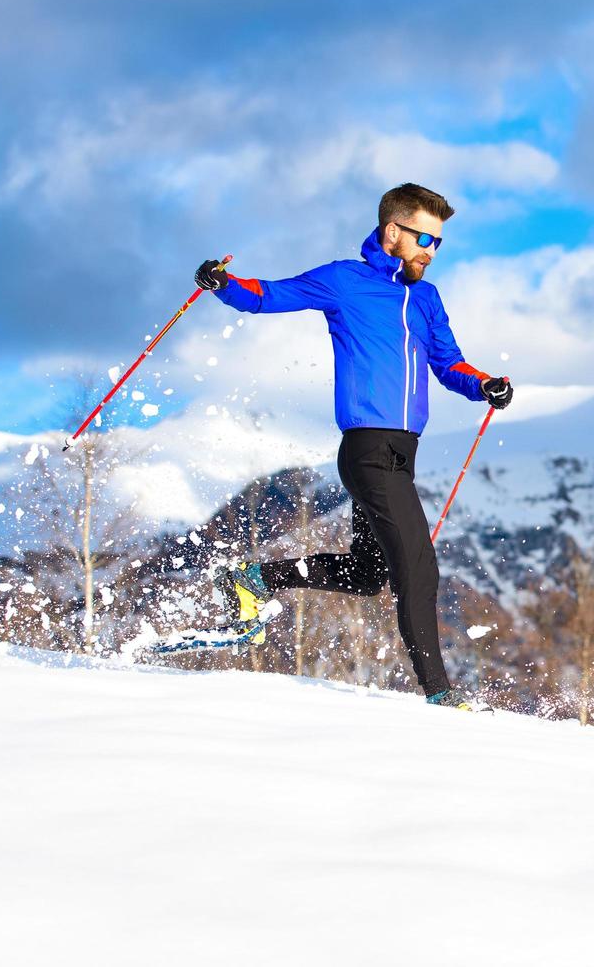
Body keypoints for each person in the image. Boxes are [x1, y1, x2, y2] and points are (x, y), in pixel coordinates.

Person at [193, 182, 512, 708]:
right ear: (393, 232)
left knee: (370, 574)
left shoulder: (426, 298)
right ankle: (440, 694)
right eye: (425, 240)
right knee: (418, 568)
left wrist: (484, 385)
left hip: (401, 456)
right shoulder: (345, 280)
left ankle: (252, 579)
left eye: (440, 243)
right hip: (367, 450)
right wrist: (222, 282)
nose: (432, 252)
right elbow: (268, 295)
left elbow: (449, 364)